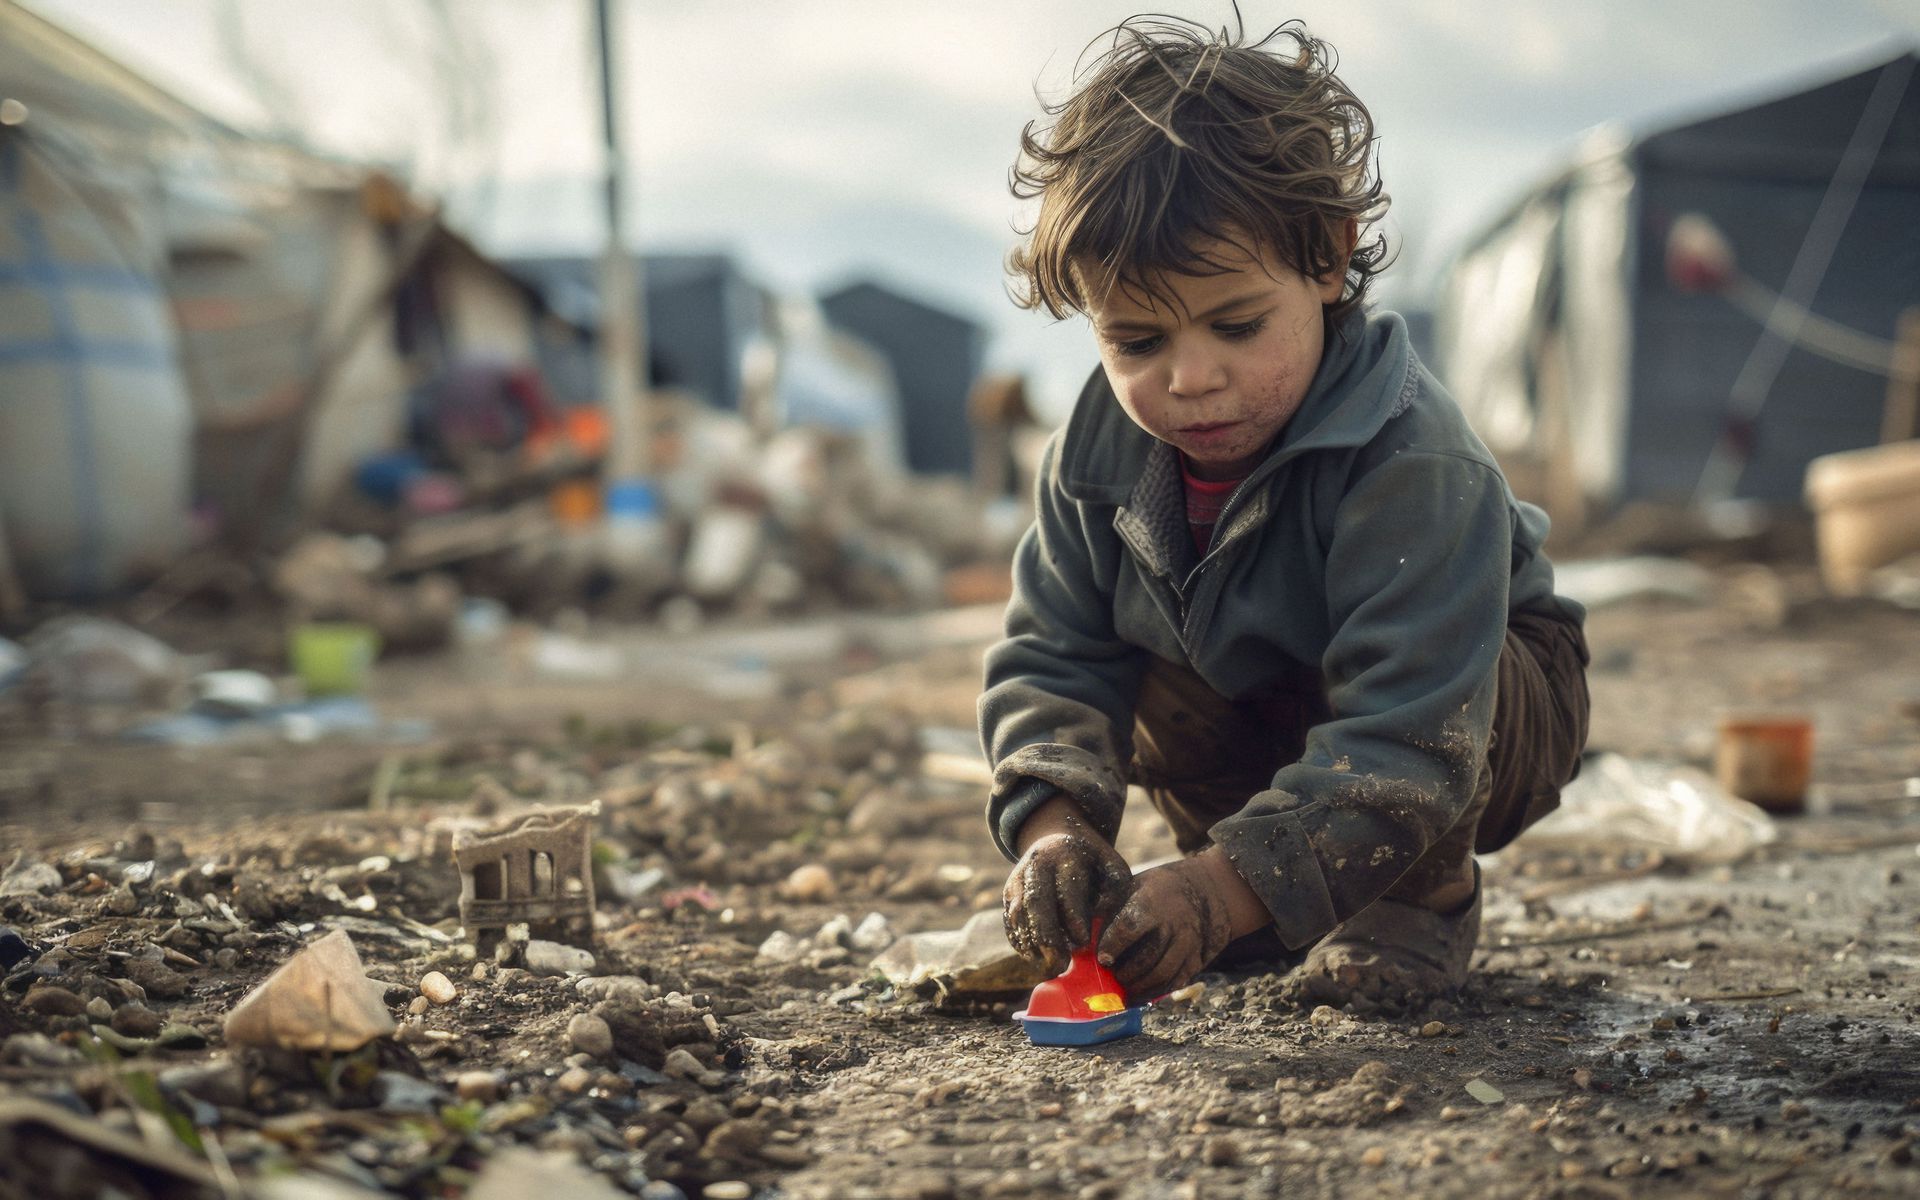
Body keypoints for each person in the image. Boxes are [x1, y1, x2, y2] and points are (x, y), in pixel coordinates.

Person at [980, 14, 1591, 1013]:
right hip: (1262, 697)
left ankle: (1414, 896)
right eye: (1136, 342)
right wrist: (1056, 833)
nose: (1191, 378)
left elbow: (1412, 729)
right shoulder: (1091, 460)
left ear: (1327, 258)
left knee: (1432, 706)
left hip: (1474, 705)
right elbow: (1053, 656)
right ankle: (1266, 884)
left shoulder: (1410, 458)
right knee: (1145, 662)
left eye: (1236, 324)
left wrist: (1213, 896)